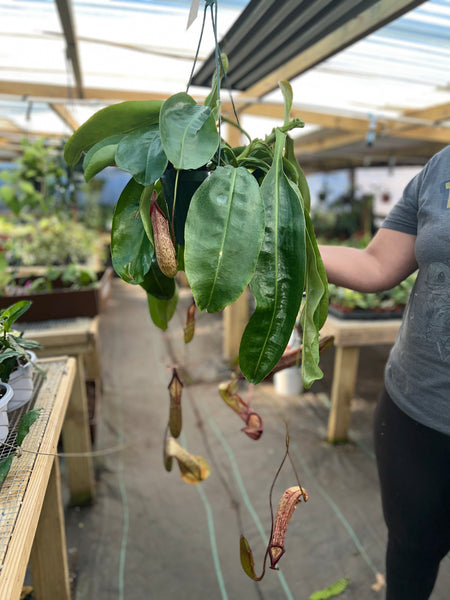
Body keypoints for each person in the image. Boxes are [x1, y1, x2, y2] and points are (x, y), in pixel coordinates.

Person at [318, 145, 450, 600]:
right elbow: (377, 263)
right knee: (410, 556)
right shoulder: (442, 167)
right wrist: (277, 244)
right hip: (415, 414)